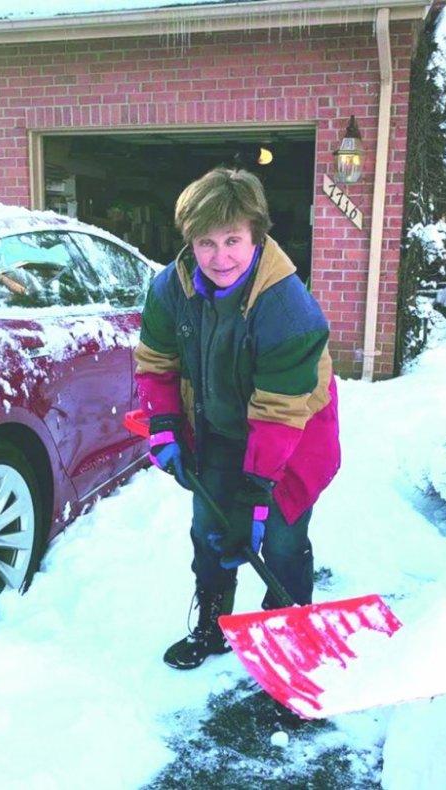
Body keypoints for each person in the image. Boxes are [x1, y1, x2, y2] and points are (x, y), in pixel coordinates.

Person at [135, 168, 340, 670]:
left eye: (233, 240)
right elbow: (156, 364)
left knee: (282, 541)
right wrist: (164, 428)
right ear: (190, 242)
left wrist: (256, 491)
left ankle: (292, 643)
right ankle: (211, 628)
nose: (219, 257)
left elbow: (281, 410)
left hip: (292, 439)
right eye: (206, 242)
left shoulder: (288, 308)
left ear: (256, 236)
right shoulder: (171, 289)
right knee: (210, 533)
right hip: (218, 431)